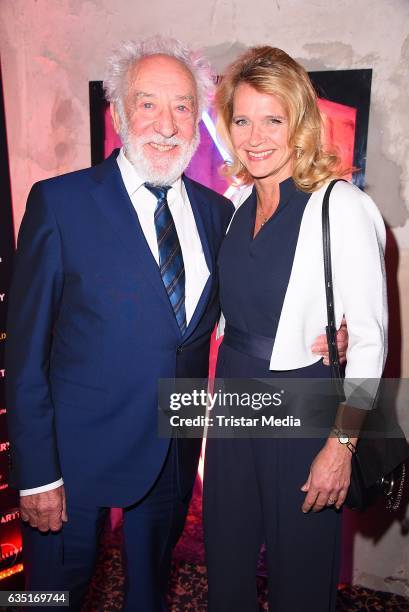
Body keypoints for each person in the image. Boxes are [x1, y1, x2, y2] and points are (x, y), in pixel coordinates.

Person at [6, 37, 345, 611]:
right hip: (73, 463)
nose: (166, 124)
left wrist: (323, 333)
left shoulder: (220, 213)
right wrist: (36, 474)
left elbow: (231, 314)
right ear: (117, 114)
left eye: (183, 106)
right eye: (147, 104)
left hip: (172, 454)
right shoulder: (58, 204)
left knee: (151, 595)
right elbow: (26, 352)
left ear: (199, 117)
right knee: (45, 598)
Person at [203, 46, 387, 612]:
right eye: (242, 119)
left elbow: (371, 343)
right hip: (233, 396)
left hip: (301, 404)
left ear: (300, 122)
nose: (255, 136)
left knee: (300, 578)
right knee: (225, 563)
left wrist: (341, 443)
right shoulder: (234, 203)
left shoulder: (341, 205)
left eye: (273, 119)